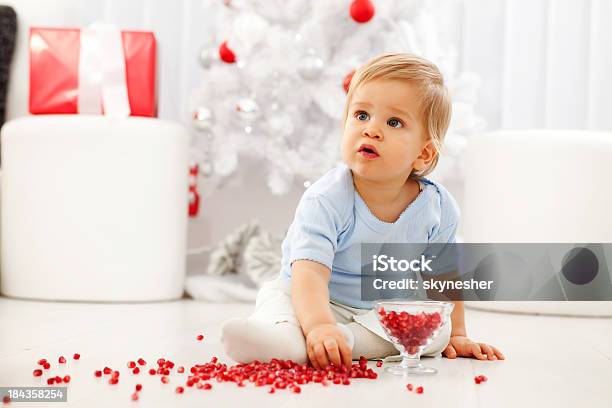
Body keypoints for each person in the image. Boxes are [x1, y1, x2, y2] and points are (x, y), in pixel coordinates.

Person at [221, 53, 504, 368]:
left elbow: (444, 278)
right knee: (279, 303)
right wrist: (318, 325)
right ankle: (286, 337)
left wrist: (457, 335)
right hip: (309, 298)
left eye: (393, 122)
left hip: (376, 313)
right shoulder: (327, 198)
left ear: (423, 153)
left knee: (436, 329)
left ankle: (342, 342)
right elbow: (309, 273)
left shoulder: (437, 207)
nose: (371, 130)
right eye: (361, 115)